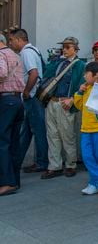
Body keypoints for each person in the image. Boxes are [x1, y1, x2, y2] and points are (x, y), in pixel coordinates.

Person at [41, 37, 86, 179]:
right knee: (52, 135)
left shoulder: (80, 65)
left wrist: (72, 100)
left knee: (67, 135)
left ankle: (70, 164)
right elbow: (47, 75)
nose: (64, 50)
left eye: (67, 47)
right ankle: (54, 166)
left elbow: (83, 84)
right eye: (63, 47)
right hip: (52, 102)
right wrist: (53, 60)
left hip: (65, 103)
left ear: (75, 48)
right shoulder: (58, 62)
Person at [8, 29, 48, 173]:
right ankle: (17, 162)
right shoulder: (33, 50)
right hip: (32, 97)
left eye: (11, 40)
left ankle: (42, 162)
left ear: (19, 40)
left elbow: (34, 73)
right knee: (26, 131)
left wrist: (26, 92)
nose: (10, 44)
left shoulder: (26, 52)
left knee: (38, 130)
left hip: (31, 97)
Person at [74, 62, 98, 196]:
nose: (84, 76)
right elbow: (79, 106)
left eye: (87, 73)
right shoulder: (87, 88)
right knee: (87, 157)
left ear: (96, 75)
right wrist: (79, 92)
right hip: (86, 129)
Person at [0, 33, 24, 196]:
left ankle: (7, 182)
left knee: (2, 141)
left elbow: (1, 73)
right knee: (14, 141)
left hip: (6, 100)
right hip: (17, 100)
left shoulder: (1, 55)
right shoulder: (15, 55)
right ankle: (14, 180)